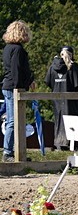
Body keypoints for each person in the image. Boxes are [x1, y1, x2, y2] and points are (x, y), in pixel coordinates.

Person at [2, 20, 35, 161]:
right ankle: (8, 152)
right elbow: (16, 71)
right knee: (13, 121)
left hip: (9, 86)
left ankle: (16, 152)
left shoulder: (8, 48)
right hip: (13, 88)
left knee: (16, 121)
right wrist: (20, 88)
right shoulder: (17, 49)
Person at [45, 46, 78, 149]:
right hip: (72, 101)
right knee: (73, 121)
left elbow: (48, 82)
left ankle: (59, 144)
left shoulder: (52, 67)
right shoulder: (73, 67)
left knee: (58, 121)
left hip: (57, 100)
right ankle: (72, 145)